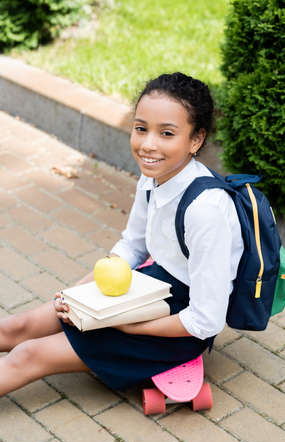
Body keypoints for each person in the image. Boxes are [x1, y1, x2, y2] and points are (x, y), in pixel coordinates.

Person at [0, 72, 244, 396]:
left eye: (167, 133)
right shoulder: (154, 177)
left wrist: (131, 326)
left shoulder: (206, 210)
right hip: (148, 289)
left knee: (30, 354)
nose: (148, 145)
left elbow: (206, 320)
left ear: (195, 139)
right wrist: (77, 296)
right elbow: (132, 247)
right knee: (18, 327)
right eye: (141, 128)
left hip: (178, 327)